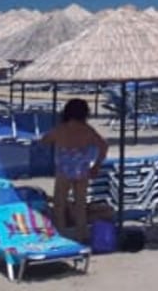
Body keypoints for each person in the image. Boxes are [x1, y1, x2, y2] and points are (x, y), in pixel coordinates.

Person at [38, 98, 108, 238]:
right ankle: (82, 234)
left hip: (64, 170)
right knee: (80, 205)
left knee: (59, 204)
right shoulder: (87, 130)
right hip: (82, 170)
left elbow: (44, 140)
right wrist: (96, 165)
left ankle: (60, 233)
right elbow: (103, 146)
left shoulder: (61, 129)